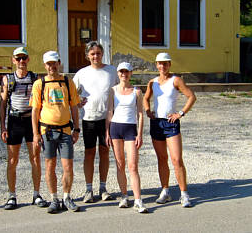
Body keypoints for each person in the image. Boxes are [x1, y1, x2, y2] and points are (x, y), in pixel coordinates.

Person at [143, 52, 196, 208]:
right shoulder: (152, 82)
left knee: (177, 159)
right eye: (160, 63)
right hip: (156, 123)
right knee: (162, 159)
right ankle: (165, 191)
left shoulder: (176, 80)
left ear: (169, 64)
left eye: (165, 63)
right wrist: (147, 111)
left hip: (171, 123)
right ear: (156, 65)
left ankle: (184, 194)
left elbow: (191, 96)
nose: (162, 66)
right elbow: (145, 98)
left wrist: (180, 113)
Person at [30, 51, 81, 214]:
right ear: (45, 65)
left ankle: (66, 197)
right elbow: (35, 110)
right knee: (49, 166)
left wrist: (77, 129)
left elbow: (74, 107)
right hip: (47, 131)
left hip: (66, 130)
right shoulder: (39, 84)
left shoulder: (68, 82)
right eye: (48, 64)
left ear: (59, 63)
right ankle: (54, 198)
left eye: (54, 63)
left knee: (68, 166)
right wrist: (36, 133)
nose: (51, 66)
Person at [0, 47, 47, 210]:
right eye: (18, 58)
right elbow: (3, 104)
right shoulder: (7, 79)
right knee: (12, 160)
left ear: (28, 59)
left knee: (35, 158)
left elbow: (42, 103)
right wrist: (3, 126)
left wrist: (41, 127)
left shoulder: (35, 78)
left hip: (31, 122)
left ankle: (36, 194)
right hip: (14, 121)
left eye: (24, 58)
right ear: (13, 60)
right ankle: (12, 195)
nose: (21, 61)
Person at [73, 41, 118, 203]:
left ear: (102, 54)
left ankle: (103, 188)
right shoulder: (81, 73)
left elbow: (120, 90)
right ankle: (88, 189)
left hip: (107, 120)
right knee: (89, 153)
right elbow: (71, 93)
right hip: (89, 119)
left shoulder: (112, 71)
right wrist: (77, 101)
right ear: (87, 56)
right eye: (92, 54)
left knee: (105, 152)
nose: (95, 56)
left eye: (98, 53)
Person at [105, 62, 148, 213]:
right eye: (121, 72)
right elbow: (109, 111)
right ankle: (124, 196)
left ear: (130, 73)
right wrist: (107, 132)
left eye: (127, 72)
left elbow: (140, 114)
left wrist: (140, 134)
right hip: (115, 128)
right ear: (118, 74)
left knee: (133, 166)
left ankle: (138, 200)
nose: (124, 74)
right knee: (120, 164)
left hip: (130, 129)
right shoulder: (112, 91)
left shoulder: (136, 91)